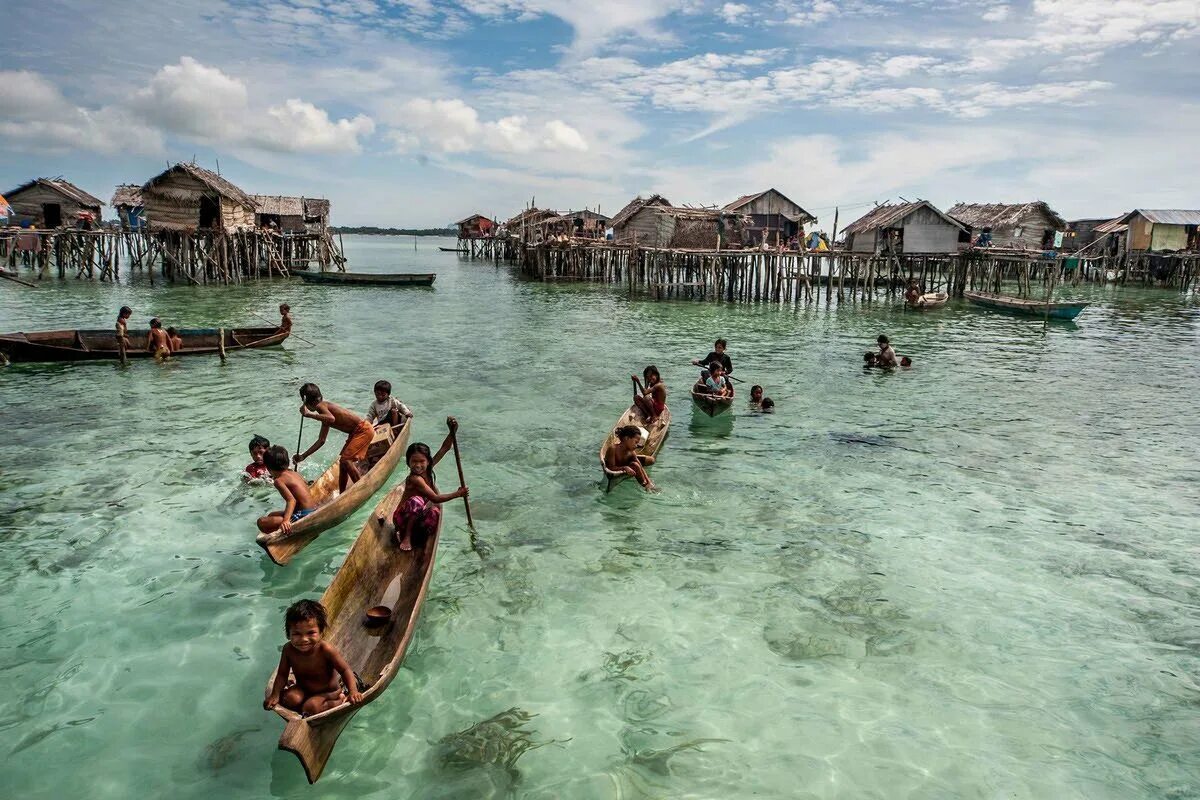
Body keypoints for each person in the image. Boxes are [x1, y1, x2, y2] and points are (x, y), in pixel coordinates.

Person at [264, 599, 362, 715]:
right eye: (296, 634)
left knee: (310, 707)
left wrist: (353, 691)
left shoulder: (326, 650)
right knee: (289, 699)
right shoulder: (288, 650)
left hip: (328, 693)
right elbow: (282, 674)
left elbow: (345, 670)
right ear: (288, 634)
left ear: (321, 632)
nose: (304, 639)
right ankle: (307, 705)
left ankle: (339, 700)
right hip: (303, 689)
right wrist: (275, 695)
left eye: (310, 633)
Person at [392, 418, 468, 551]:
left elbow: (444, 448)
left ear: (428, 462)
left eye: (422, 461)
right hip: (402, 519)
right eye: (414, 461)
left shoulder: (428, 469)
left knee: (434, 512)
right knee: (417, 501)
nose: (418, 465)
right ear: (408, 462)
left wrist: (452, 432)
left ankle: (421, 539)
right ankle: (406, 537)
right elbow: (435, 498)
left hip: (417, 517)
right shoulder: (414, 479)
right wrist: (458, 494)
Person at [293, 383, 374, 494]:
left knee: (346, 460)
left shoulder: (321, 406)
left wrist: (309, 415)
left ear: (306, 402)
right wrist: (303, 456)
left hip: (363, 430)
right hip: (355, 433)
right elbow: (321, 441)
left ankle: (362, 490)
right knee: (343, 462)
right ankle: (342, 493)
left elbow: (331, 418)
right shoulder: (323, 413)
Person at [256, 444, 317, 534]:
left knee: (261, 522)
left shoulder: (278, 481)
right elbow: (306, 484)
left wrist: (286, 520)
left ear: (268, 468)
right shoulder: (294, 473)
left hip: (303, 514)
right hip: (311, 509)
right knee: (271, 515)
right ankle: (283, 528)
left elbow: (291, 500)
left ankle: (285, 532)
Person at [604, 424, 657, 491]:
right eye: (636, 442)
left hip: (626, 462)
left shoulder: (631, 452)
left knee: (650, 460)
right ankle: (645, 484)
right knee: (635, 465)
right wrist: (625, 468)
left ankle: (646, 485)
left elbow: (640, 467)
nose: (636, 445)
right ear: (627, 438)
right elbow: (610, 468)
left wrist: (649, 482)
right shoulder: (613, 449)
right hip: (620, 465)